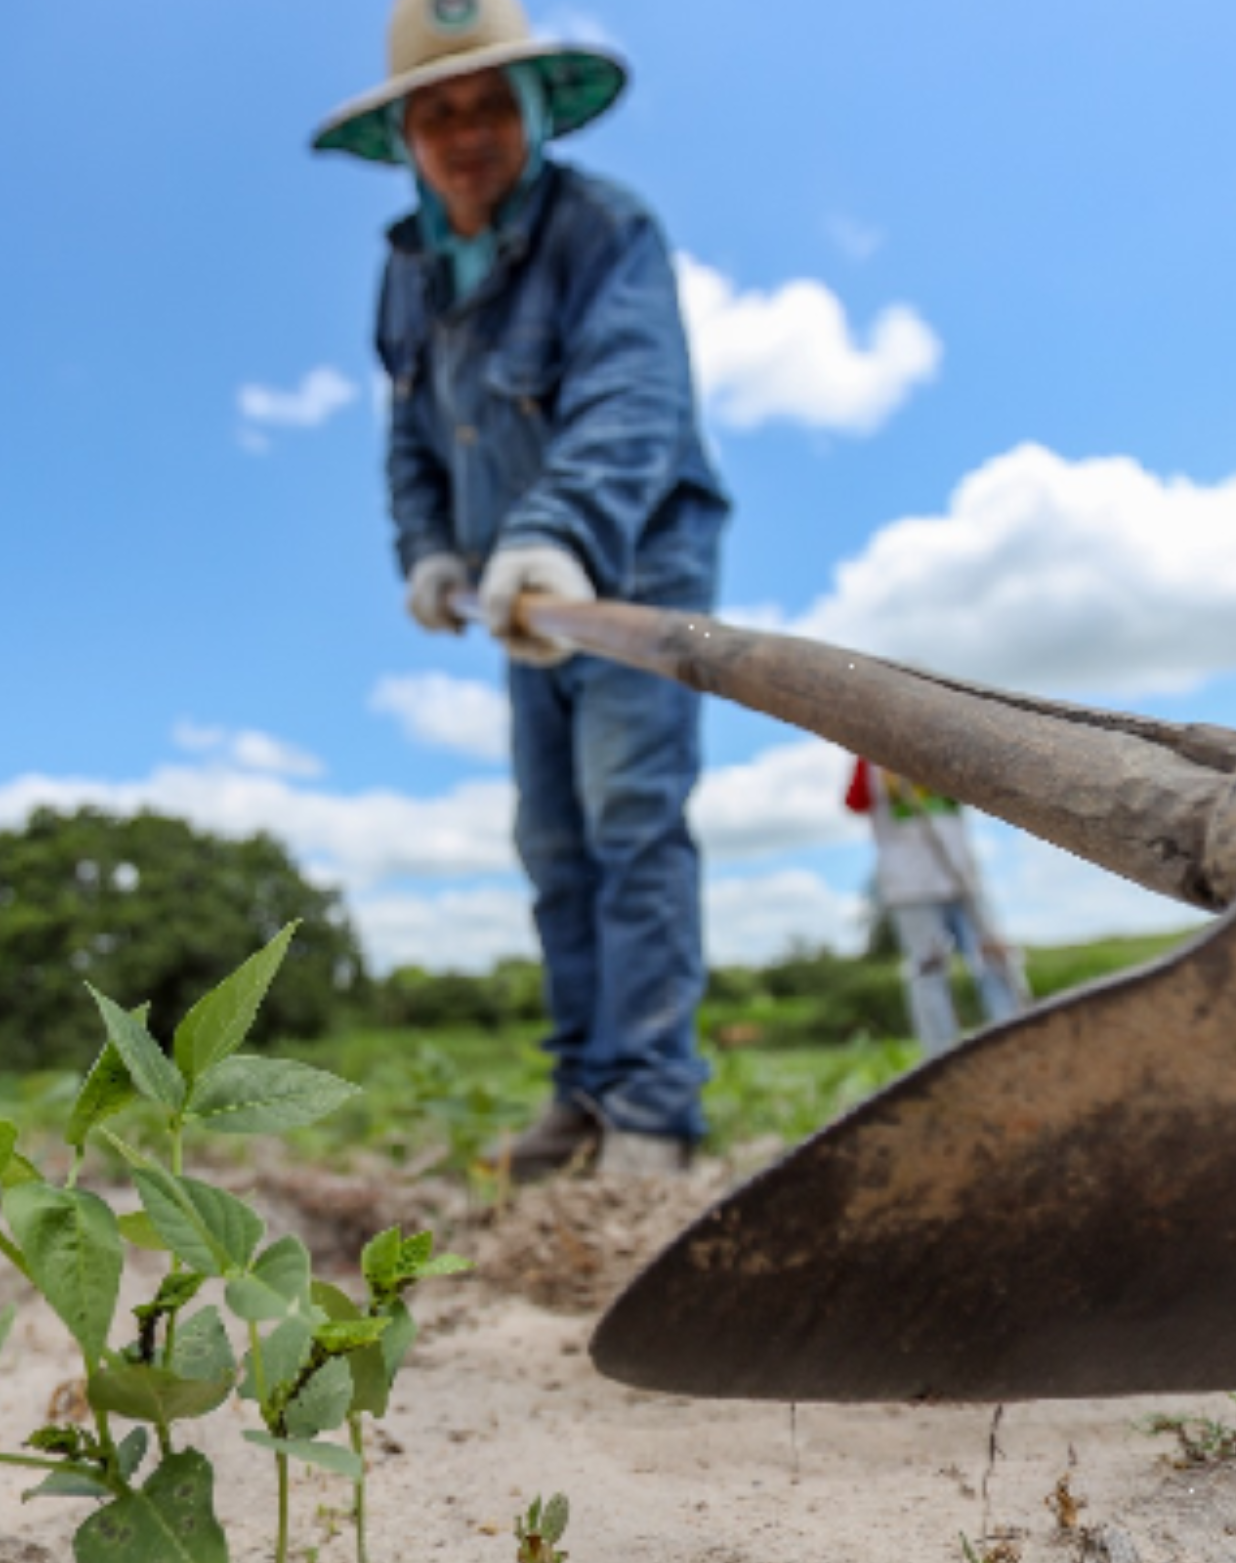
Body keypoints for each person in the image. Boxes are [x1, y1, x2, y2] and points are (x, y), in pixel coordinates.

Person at [313, 0, 730, 1177]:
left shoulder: (606, 230)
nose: (466, 131)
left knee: (630, 818)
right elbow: (410, 437)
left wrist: (558, 532)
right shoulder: (405, 273)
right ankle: (582, 1093)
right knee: (553, 837)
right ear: (405, 133)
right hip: (517, 589)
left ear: (535, 110)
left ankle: (651, 1110)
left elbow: (632, 401)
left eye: (490, 100)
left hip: (632, 568)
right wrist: (429, 550)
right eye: (438, 111)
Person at [844, 756, 1027, 1058]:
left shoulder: (941, 746)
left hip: (962, 875)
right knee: (928, 967)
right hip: (910, 883)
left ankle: (1017, 1034)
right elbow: (855, 802)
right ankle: (940, 1052)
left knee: (993, 957)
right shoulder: (870, 759)